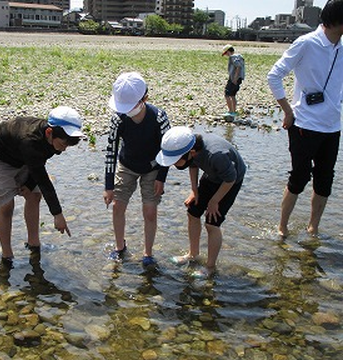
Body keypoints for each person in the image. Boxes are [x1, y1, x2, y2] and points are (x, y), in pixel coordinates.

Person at [267, 0, 343, 238]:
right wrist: (288, 111)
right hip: (304, 124)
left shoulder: (342, 47)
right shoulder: (306, 43)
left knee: (325, 180)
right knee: (299, 177)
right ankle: (282, 226)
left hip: (332, 126)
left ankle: (313, 228)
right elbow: (274, 75)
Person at [0, 106, 84, 268]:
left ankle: (34, 244)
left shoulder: (53, 139)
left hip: (22, 158)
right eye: (63, 144)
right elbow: (43, 179)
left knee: (34, 195)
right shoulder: (30, 141)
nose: (64, 149)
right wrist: (58, 214)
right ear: (49, 132)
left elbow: (39, 163)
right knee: (6, 205)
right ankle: (7, 256)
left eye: (68, 145)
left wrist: (29, 184)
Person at [156, 126, 246, 277]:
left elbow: (231, 178)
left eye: (175, 161)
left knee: (212, 222)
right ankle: (193, 254)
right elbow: (193, 164)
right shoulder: (191, 147)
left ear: (190, 153)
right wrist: (194, 190)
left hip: (230, 180)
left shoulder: (216, 155)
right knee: (193, 212)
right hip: (212, 175)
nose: (172, 164)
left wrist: (214, 201)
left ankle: (210, 267)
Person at [103, 72, 171, 267]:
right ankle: (119, 247)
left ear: (145, 99)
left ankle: (147, 253)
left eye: (131, 106)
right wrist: (108, 185)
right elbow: (111, 151)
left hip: (153, 167)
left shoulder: (159, 117)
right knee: (117, 205)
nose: (127, 111)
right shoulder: (118, 119)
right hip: (127, 165)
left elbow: (167, 149)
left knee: (150, 211)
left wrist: (162, 177)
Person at [222, 44, 245, 118]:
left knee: (227, 94)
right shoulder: (239, 56)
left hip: (234, 78)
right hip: (240, 78)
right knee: (233, 95)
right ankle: (234, 111)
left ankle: (230, 111)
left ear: (228, 51)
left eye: (226, 53)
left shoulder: (232, 57)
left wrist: (234, 78)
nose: (226, 55)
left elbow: (238, 66)